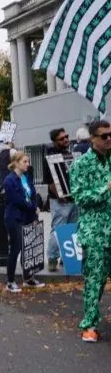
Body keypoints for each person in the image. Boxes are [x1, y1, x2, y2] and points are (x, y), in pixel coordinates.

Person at [69, 120, 111, 343]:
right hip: (95, 231)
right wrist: (105, 188)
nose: (109, 139)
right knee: (95, 279)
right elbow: (80, 197)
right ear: (93, 138)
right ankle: (89, 325)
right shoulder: (80, 165)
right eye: (104, 136)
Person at [3, 152, 46, 293]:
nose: (28, 164)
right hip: (14, 217)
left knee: (28, 248)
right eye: (25, 161)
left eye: (28, 161)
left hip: (28, 216)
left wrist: (35, 208)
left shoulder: (26, 178)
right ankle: (10, 281)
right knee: (15, 248)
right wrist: (33, 207)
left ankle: (28, 278)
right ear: (16, 163)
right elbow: (17, 200)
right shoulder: (9, 180)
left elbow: (32, 195)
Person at [43, 128, 79, 272]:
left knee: (72, 229)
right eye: (62, 138)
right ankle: (52, 259)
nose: (66, 139)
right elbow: (49, 181)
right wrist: (60, 195)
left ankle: (67, 258)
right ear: (54, 141)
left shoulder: (69, 154)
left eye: (66, 136)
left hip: (73, 198)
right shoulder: (50, 156)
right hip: (60, 201)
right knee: (58, 229)